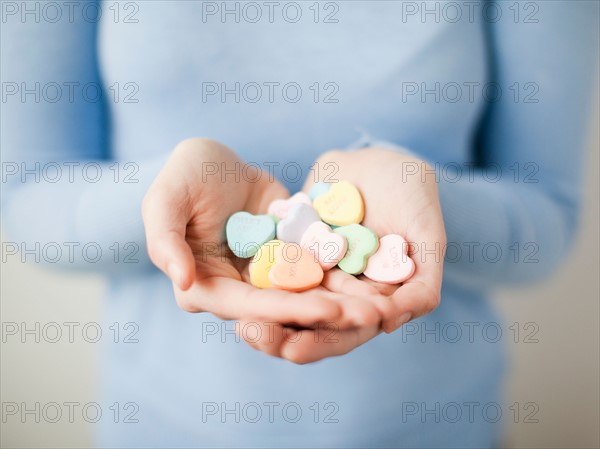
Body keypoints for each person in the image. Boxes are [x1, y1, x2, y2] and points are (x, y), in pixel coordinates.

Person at [2, 1, 598, 447]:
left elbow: (547, 212)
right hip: (162, 428)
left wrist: (430, 196)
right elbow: (28, 192)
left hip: (438, 428)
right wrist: (158, 198)